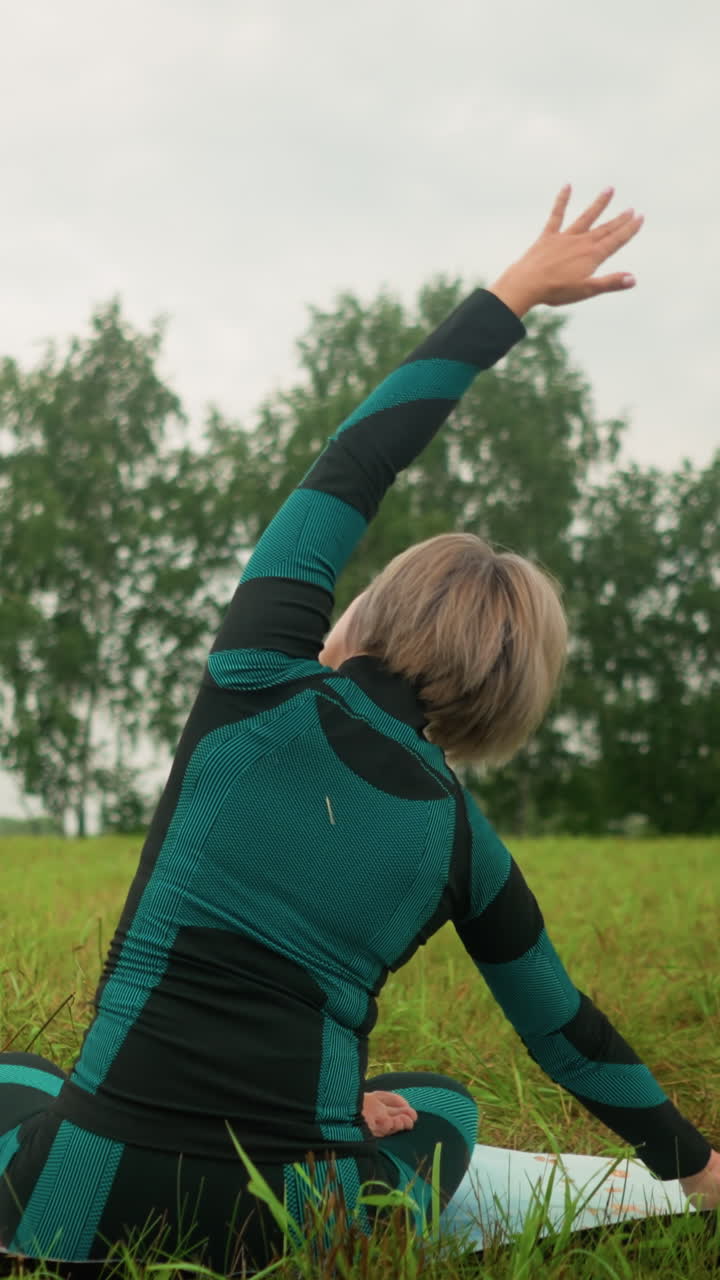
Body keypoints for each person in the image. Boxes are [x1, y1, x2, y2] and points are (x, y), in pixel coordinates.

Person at [1, 186, 717, 1272]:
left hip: (70, 1205)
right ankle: (339, 1122)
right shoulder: (466, 845)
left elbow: (357, 459)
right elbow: (569, 1035)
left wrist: (514, 291)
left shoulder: (256, 675)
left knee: (22, 1076)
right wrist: (700, 1168)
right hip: (275, 1220)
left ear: (368, 613)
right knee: (445, 1109)